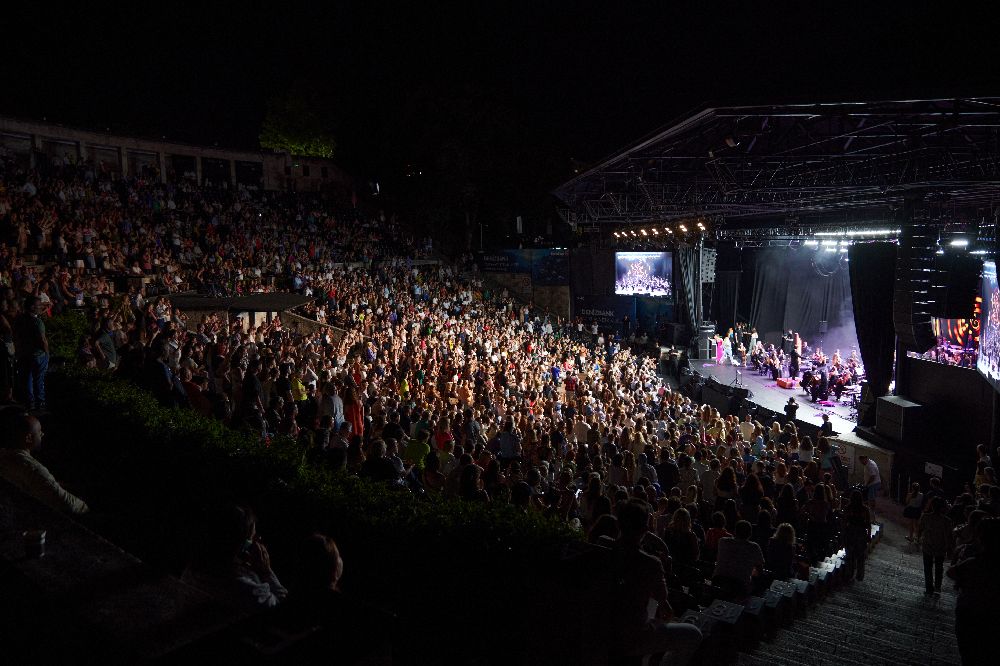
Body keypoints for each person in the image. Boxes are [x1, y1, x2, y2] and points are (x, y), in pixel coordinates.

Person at [611, 499, 702, 666]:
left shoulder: (603, 547)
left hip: (604, 628)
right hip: (631, 636)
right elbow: (665, 607)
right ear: (645, 528)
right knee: (693, 634)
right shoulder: (650, 563)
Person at [0, 408, 89, 514]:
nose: (42, 434)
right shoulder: (32, 469)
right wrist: (86, 506)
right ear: (28, 438)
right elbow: (67, 503)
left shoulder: (5, 455)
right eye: (39, 432)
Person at [946, 518, 1000, 666]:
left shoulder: (975, 562)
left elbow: (951, 572)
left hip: (970, 611)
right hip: (993, 616)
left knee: (969, 653)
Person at [13, 295, 49, 412]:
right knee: (39, 379)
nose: (41, 307)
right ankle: (40, 402)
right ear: (32, 307)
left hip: (24, 354)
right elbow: (42, 340)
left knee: (28, 379)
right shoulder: (37, 322)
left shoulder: (19, 319)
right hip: (37, 355)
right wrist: (47, 353)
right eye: (39, 305)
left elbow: (16, 335)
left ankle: (30, 402)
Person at [713, 519, 765, 598]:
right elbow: (760, 570)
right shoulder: (754, 547)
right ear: (750, 534)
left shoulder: (722, 541)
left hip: (718, 582)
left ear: (735, 531)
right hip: (740, 587)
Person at [917, 496, 953, 595]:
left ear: (932, 506)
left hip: (928, 545)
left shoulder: (926, 517)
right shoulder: (947, 520)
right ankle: (937, 587)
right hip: (941, 547)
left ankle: (929, 588)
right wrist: (950, 548)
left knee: (927, 568)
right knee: (939, 568)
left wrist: (918, 539)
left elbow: (920, 529)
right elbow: (950, 536)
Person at [842, 490, 872, 582]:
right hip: (861, 534)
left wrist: (844, 534)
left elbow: (844, 522)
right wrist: (868, 535)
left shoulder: (848, 508)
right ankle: (860, 575)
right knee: (860, 556)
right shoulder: (865, 509)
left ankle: (849, 574)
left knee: (849, 555)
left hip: (850, 532)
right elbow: (868, 524)